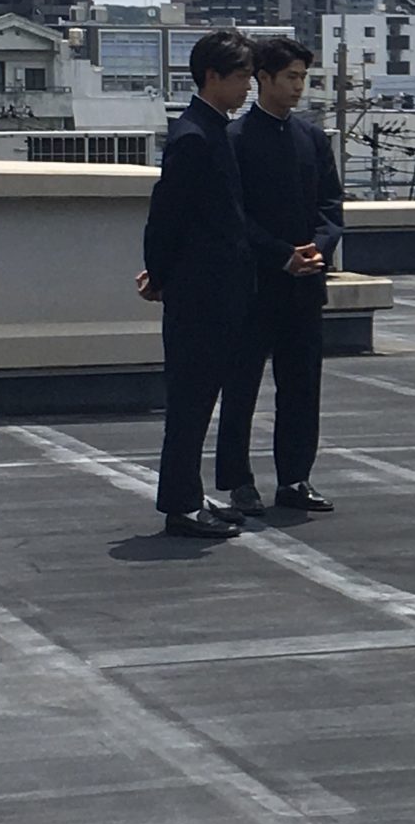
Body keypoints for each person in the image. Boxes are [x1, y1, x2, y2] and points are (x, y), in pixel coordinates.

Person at [214, 35, 343, 517]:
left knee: (302, 385)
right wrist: (281, 255)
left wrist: (318, 249)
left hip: (305, 282)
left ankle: (295, 477)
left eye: (302, 78)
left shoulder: (312, 138)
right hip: (253, 284)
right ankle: (238, 480)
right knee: (242, 386)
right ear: (262, 79)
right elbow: (233, 216)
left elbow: (330, 206)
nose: (298, 87)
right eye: (290, 77)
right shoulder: (235, 139)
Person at [138, 29, 257, 539]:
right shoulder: (194, 136)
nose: (247, 87)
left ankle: (188, 491)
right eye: (241, 77)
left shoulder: (209, 130)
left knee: (200, 396)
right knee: (190, 399)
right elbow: (167, 217)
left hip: (214, 288)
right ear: (213, 76)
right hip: (201, 292)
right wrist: (160, 274)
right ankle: (181, 503)